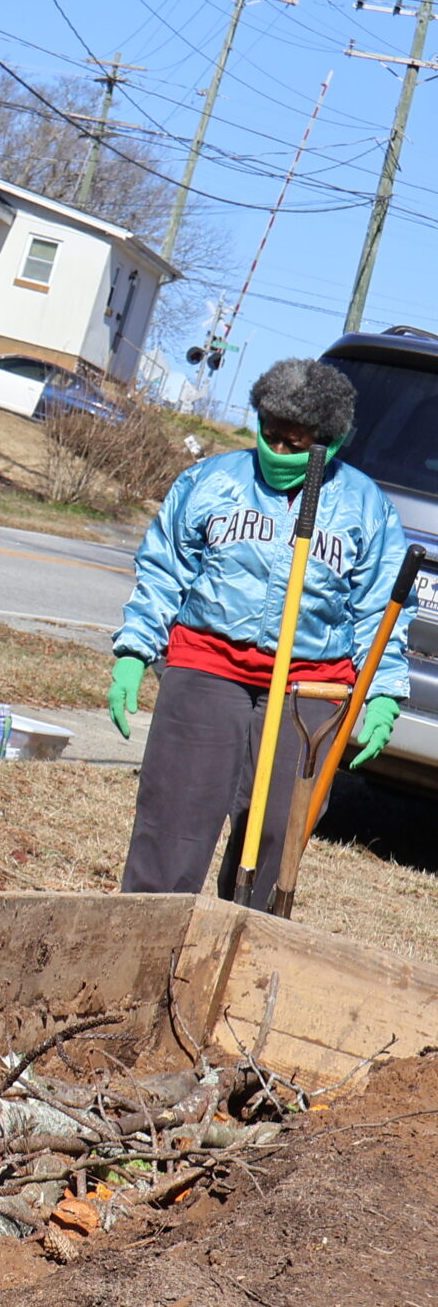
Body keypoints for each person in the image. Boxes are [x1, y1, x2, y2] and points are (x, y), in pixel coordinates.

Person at [109, 357, 408, 910]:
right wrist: (134, 648)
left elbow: (378, 608)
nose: (279, 451)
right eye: (270, 435)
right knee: (176, 818)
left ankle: (247, 939)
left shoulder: (366, 507)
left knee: (276, 831)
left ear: (329, 443)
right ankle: (146, 937)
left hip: (309, 684)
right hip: (208, 665)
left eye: (297, 443)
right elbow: (165, 569)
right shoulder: (211, 481)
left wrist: (384, 690)